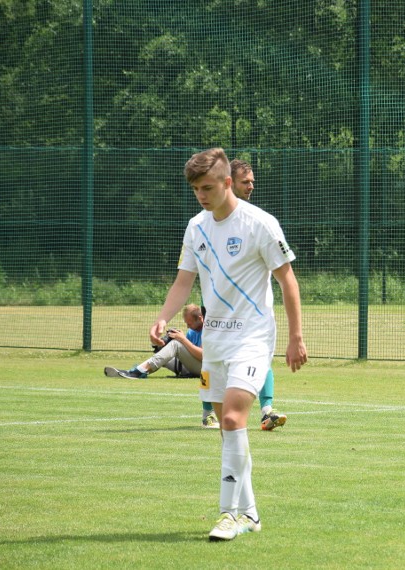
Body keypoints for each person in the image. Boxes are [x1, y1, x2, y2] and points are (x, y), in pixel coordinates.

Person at [151, 147, 307, 541]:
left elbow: (287, 280)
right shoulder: (195, 227)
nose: (201, 196)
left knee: (236, 419)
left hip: (253, 336)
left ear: (226, 182)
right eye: (195, 190)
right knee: (228, 429)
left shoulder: (260, 224)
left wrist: (295, 337)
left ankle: (228, 515)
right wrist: (163, 316)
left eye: (207, 187)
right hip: (216, 342)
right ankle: (251, 513)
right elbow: (184, 280)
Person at [230, 159, 287, 431]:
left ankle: (266, 410)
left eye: (252, 180)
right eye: (246, 181)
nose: (251, 185)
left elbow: (286, 275)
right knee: (218, 362)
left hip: (256, 313)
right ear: (229, 182)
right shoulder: (208, 220)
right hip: (224, 313)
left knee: (260, 355)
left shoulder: (260, 221)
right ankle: (209, 411)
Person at [104, 304, 219, 429]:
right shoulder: (192, 331)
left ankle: (138, 371)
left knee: (176, 345)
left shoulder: (209, 329)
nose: (187, 326)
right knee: (166, 351)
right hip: (191, 368)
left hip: (205, 367)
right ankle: (137, 370)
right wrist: (162, 344)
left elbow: (203, 356)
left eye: (189, 323)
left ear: (200, 318)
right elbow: (187, 351)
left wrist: (182, 340)